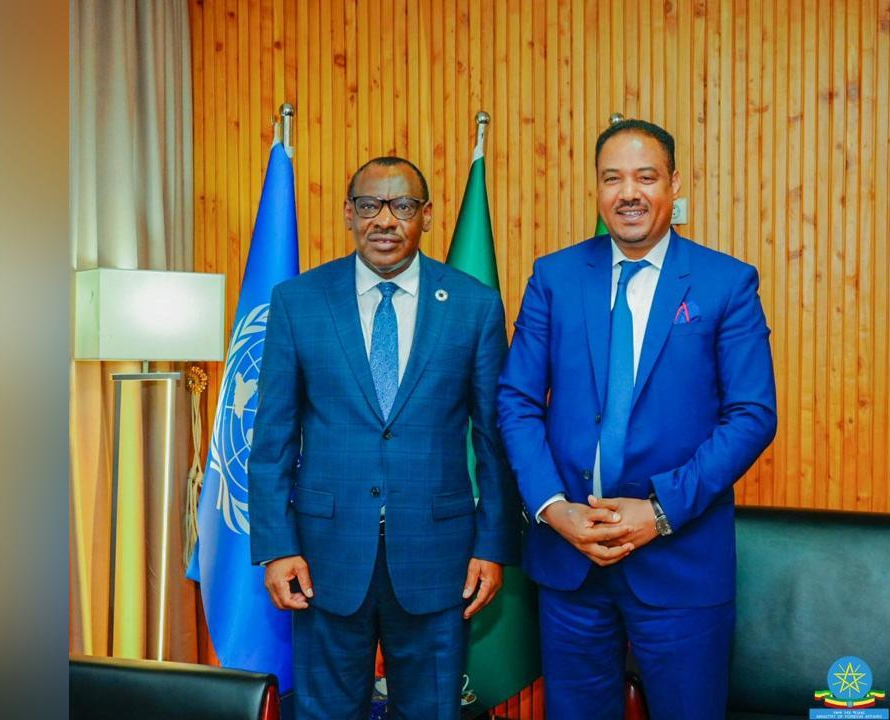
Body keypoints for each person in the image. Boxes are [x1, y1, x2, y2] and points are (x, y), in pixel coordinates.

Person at [497, 119, 777, 719]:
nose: (629, 193)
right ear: (597, 189)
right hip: (571, 560)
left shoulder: (726, 283)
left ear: (674, 184)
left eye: (646, 177)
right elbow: (516, 401)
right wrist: (554, 509)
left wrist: (659, 510)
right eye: (612, 178)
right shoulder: (554, 278)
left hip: (681, 562)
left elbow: (752, 415)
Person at [249, 156, 519, 720]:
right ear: (349, 213)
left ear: (427, 216)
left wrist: (492, 546)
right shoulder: (299, 301)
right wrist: (276, 546)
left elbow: (495, 440)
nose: (385, 220)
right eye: (370, 205)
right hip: (323, 557)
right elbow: (272, 439)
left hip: (439, 557)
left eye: (403, 206)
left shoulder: (473, 305)